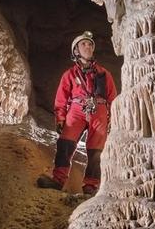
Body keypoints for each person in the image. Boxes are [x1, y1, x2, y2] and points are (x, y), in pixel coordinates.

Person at [37, 31, 117, 194]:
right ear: (76, 51)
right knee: (65, 143)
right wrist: (60, 118)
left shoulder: (104, 74)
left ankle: (91, 185)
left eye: (90, 44)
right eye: (83, 44)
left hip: (99, 111)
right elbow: (61, 98)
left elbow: (113, 98)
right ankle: (58, 179)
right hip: (77, 109)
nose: (88, 46)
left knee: (96, 151)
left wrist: (112, 119)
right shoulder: (70, 75)